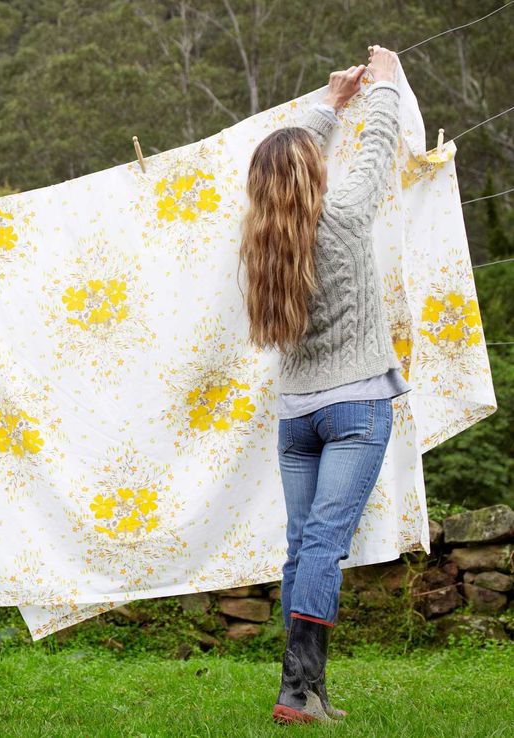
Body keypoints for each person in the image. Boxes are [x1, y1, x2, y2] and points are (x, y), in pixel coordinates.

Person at [238, 45, 411, 725]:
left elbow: (286, 162)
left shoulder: (261, 246)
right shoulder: (339, 216)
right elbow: (379, 152)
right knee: (322, 547)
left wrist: (328, 105)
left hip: (297, 420)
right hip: (356, 408)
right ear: (312, 174)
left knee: (301, 545)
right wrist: (384, 87)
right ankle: (297, 689)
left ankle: (307, 689)